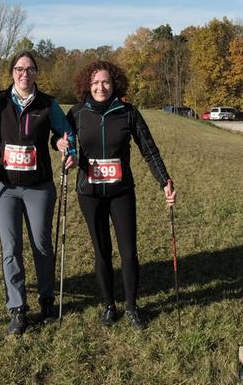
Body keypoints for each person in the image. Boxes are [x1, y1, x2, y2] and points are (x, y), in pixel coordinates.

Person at [65, 60, 176, 330]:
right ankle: (108, 305)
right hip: (89, 193)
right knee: (101, 251)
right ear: (86, 86)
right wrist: (67, 152)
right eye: (94, 83)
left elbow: (149, 149)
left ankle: (131, 306)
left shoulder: (128, 112)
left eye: (105, 82)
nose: (100, 87)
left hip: (121, 192)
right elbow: (61, 140)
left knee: (128, 252)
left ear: (114, 84)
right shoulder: (77, 113)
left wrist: (164, 180)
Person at [0, 51, 76, 335]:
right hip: (4, 186)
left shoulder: (47, 103)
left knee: (41, 245)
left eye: (30, 69)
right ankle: (17, 307)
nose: (24, 74)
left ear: (36, 73)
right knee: (11, 247)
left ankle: (46, 299)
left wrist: (66, 148)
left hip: (38, 187)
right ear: (12, 73)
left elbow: (65, 132)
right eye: (19, 69)